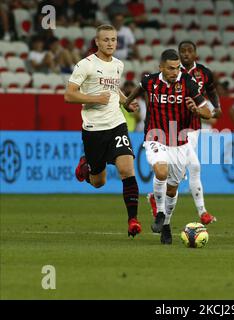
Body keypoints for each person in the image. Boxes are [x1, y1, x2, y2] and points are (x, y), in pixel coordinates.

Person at [124, 49, 212, 244]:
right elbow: (139, 89)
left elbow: (208, 112)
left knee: (172, 189)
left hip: (179, 141)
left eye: (177, 68)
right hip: (155, 135)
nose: (175, 72)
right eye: (170, 68)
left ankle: (166, 224)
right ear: (161, 68)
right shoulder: (151, 81)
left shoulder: (188, 83)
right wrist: (127, 103)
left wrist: (196, 110)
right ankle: (160, 213)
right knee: (161, 172)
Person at [64, 24, 142, 239]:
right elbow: (69, 95)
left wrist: (126, 102)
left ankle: (133, 220)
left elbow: (113, 88)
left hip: (116, 124)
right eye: (106, 40)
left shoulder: (118, 64)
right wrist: (95, 99)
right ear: (97, 42)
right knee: (99, 182)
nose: (110, 43)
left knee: (127, 169)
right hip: (93, 129)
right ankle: (86, 165)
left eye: (113, 40)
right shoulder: (85, 65)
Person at [147, 40, 221, 225]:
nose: (186, 54)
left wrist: (216, 107)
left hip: (193, 128)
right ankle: (202, 211)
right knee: (194, 166)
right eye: (183, 51)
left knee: (178, 177)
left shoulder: (203, 72)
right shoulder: (171, 75)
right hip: (169, 130)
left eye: (190, 51)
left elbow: (211, 91)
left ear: (195, 54)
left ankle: (159, 204)